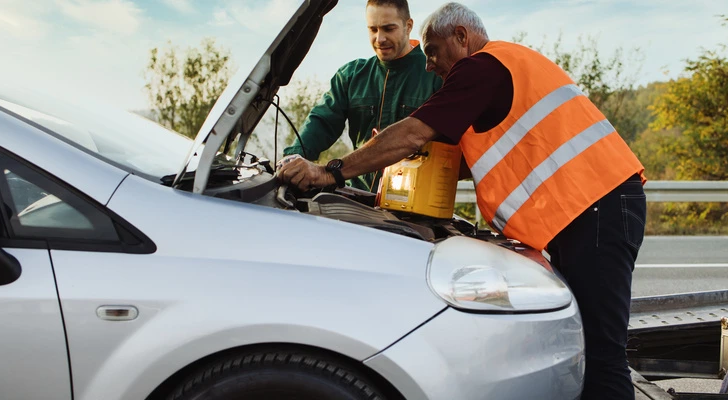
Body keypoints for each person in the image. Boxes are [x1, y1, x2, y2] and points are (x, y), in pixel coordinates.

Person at [277, 2, 647, 399]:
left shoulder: (481, 67)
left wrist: (330, 172)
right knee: (588, 350)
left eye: (433, 52)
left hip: (597, 208)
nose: (429, 64)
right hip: (592, 210)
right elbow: (469, 159)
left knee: (602, 355)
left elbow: (414, 133)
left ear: (461, 37)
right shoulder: (504, 68)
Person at [280, 0, 443, 192]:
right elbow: (321, 122)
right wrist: (293, 158)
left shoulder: (436, 75)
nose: (380, 38)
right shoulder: (351, 76)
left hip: (414, 201)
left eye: (388, 29)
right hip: (356, 196)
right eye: (373, 29)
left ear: (408, 26)